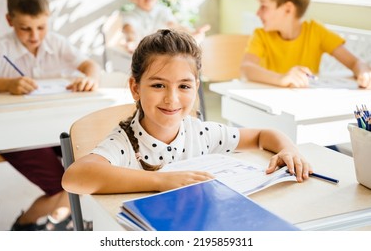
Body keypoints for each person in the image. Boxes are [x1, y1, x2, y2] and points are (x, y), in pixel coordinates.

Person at [61, 29, 312, 196]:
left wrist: (289, 150)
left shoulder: (201, 133)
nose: (172, 98)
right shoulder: (125, 142)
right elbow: (74, 177)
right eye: (158, 85)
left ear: (196, 88)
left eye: (184, 86)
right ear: (135, 88)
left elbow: (263, 135)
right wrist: (162, 181)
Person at [0, 0, 99, 230]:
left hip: (57, 129)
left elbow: (90, 66)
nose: (34, 36)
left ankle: (60, 219)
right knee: (64, 184)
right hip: (15, 135)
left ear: (49, 19)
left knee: (94, 165)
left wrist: (89, 78)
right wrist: (6, 84)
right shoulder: (0, 49)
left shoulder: (56, 43)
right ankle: (24, 226)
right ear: (9, 20)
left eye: (41, 27)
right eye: (25, 28)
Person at [240, 0, 371, 89]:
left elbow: (355, 62)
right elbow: (246, 68)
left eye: (264, 6)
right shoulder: (261, 35)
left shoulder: (316, 32)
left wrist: (364, 72)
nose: (257, 13)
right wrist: (281, 79)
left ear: (288, 9)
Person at [121, 0, 210, 53]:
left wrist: (191, 32)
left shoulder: (163, 11)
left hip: (162, 54)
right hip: (142, 55)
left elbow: (175, 26)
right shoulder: (130, 15)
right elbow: (129, 30)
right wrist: (131, 41)